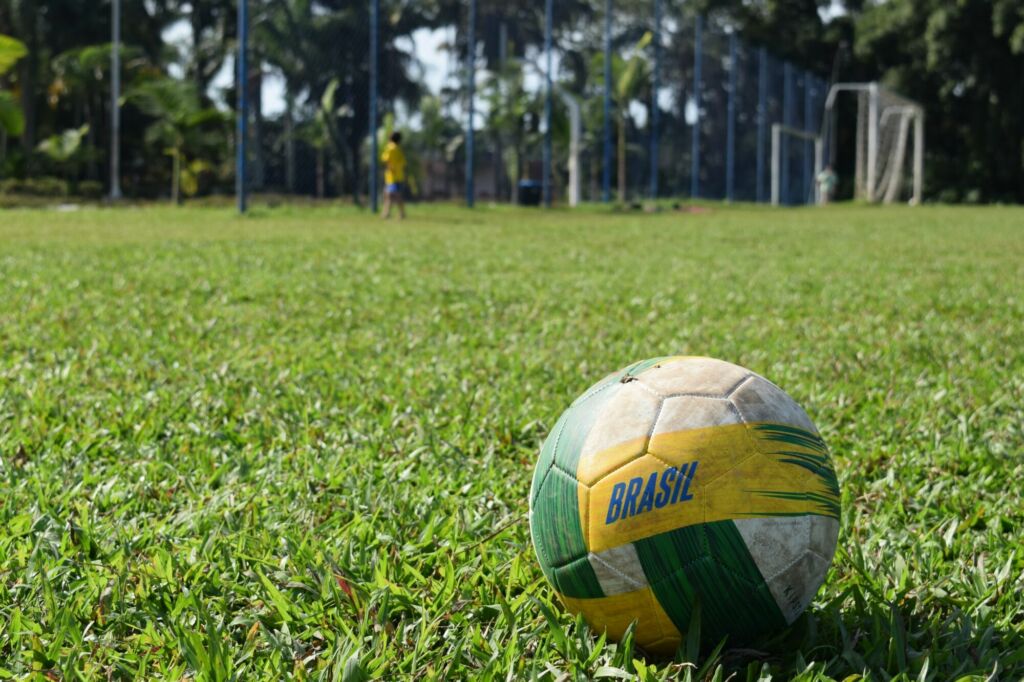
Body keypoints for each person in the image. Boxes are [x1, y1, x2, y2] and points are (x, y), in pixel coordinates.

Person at [381, 132, 407, 219]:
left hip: (392, 177)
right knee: (393, 195)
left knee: (390, 195)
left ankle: (387, 213)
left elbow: (386, 159)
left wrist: (390, 168)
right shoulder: (399, 149)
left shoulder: (390, 147)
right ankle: (400, 213)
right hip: (399, 175)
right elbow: (403, 163)